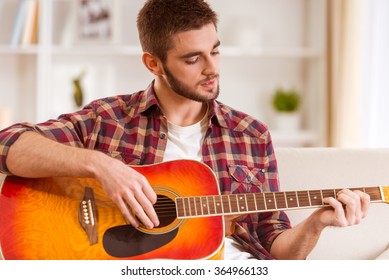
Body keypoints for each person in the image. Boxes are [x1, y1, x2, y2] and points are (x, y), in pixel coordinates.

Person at [0, 0, 370, 260]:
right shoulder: (108, 119)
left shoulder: (251, 135)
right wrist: (102, 167)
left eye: (215, 51)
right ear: (153, 63)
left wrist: (316, 224)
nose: (212, 68)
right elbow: (9, 144)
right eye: (193, 59)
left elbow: (279, 249)